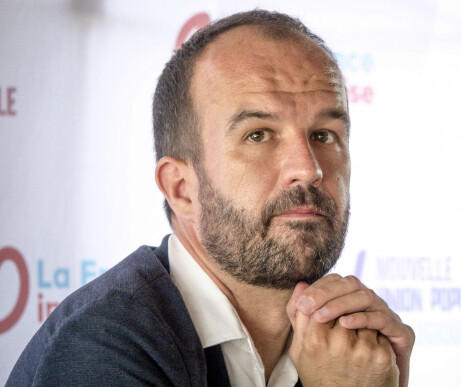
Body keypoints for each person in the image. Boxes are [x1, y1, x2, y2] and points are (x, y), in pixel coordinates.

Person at [7, 10, 414, 386]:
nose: (309, 169)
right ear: (181, 189)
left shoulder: (342, 349)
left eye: (324, 135)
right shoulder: (101, 344)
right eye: (258, 135)